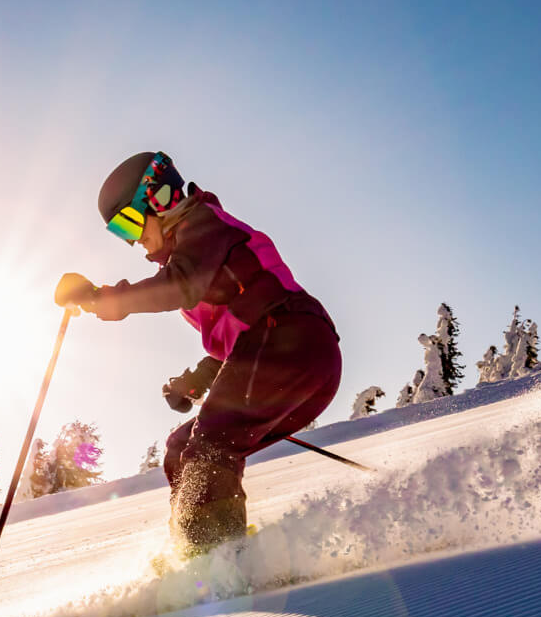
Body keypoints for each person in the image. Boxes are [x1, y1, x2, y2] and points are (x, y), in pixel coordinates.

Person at [57, 151, 342, 555]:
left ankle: (220, 558)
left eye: (129, 222)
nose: (134, 240)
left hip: (294, 339)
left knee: (210, 445)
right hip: (286, 353)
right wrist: (197, 381)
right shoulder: (196, 251)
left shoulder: (203, 224)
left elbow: (182, 286)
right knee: (181, 447)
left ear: (157, 198)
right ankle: (199, 548)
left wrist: (99, 298)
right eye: (121, 232)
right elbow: (238, 333)